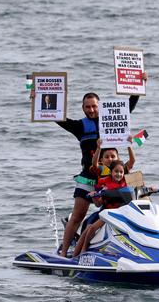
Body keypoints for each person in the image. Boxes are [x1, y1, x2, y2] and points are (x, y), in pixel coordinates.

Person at [55, 83, 145, 258]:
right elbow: (56, 117)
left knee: (120, 212)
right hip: (88, 178)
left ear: (100, 106)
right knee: (78, 215)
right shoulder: (79, 126)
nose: (91, 110)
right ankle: (64, 253)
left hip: (111, 178)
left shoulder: (111, 120)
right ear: (82, 108)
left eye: (94, 106)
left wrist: (139, 83)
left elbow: (130, 105)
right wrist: (39, 100)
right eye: (87, 107)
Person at [72, 160, 129, 256]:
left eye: (121, 172)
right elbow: (98, 204)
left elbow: (138, 189)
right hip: (108, 214)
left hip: (123, 213)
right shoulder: (105, 185)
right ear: (111, 172)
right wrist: (94, 195)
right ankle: (82, 250)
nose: (118, 174)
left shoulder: (127, 182)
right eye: (116, 171)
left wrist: (150, 189)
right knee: (90, 228)